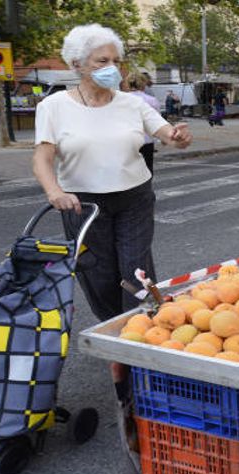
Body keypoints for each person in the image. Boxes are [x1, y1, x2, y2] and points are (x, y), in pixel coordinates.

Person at [32, 23, 192, 322]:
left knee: (136, 270)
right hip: (83, 203)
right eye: (102, 61)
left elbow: (168, 135)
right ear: (76, 64)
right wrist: (55, 192)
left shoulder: (132, 104)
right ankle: (113, 329)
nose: (112, 68)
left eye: (116, 61)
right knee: (97, 272)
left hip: (134, 198)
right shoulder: (53, 106)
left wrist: (179, 137)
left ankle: (141, 329)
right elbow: (43, 157)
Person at [125, 72, 161, 173]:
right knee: (147, 169)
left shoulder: (120, 99)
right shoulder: (152, 100)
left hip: (127, 141)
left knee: (129, 170)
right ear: (143, 84)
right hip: (146, 140)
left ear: (128, 83)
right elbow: (156, 122)